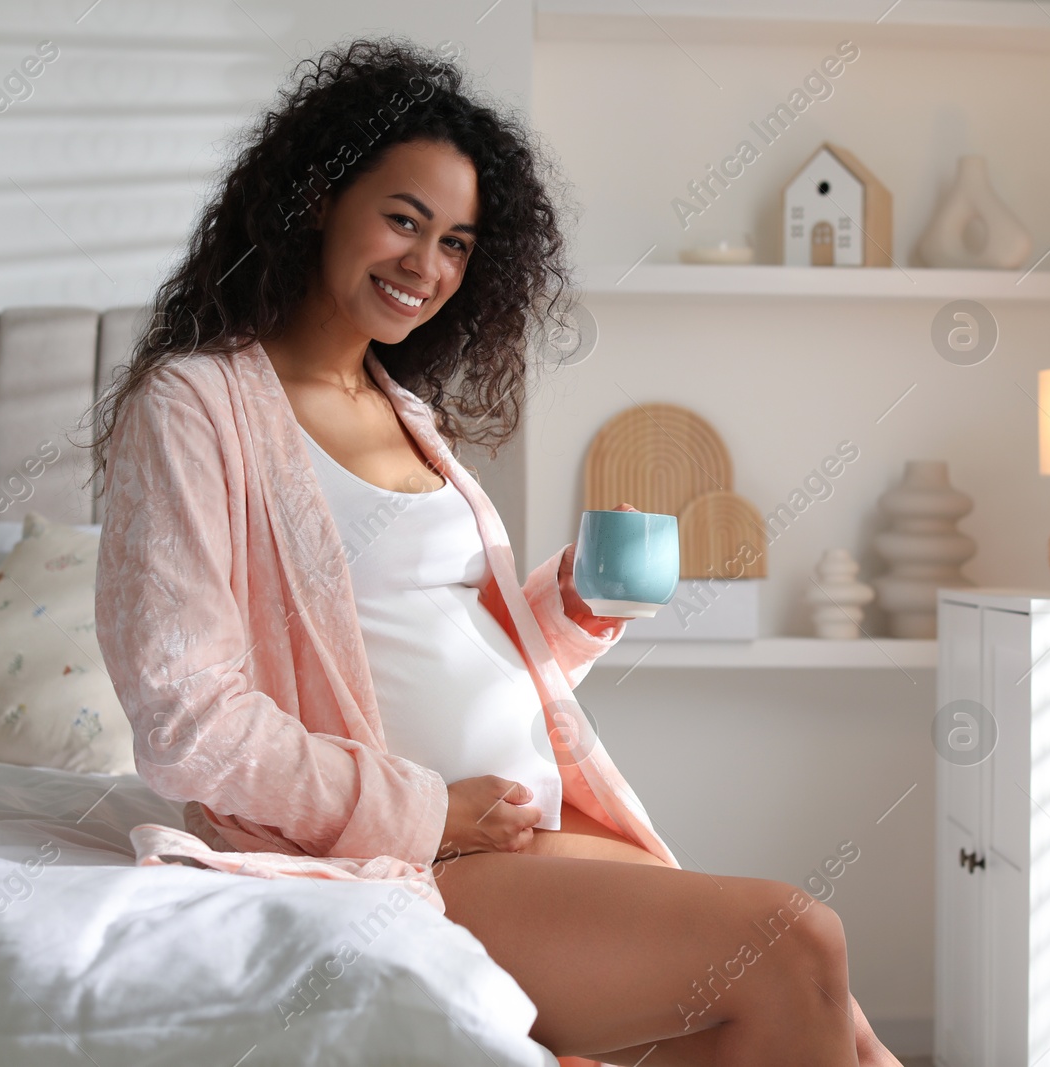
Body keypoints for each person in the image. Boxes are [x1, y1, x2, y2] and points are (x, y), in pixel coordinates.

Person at [87, 37, 902, 1067]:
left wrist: (571, 604)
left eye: (458, 244)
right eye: (403, 219)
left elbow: (438, 638)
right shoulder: (198, 405)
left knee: (839, 1023)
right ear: (315, 201)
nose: (426, 266)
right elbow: (186, 717)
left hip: (514, 823)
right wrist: (429, 809)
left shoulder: (408, 412)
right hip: (405, 855)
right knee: (800, 943)